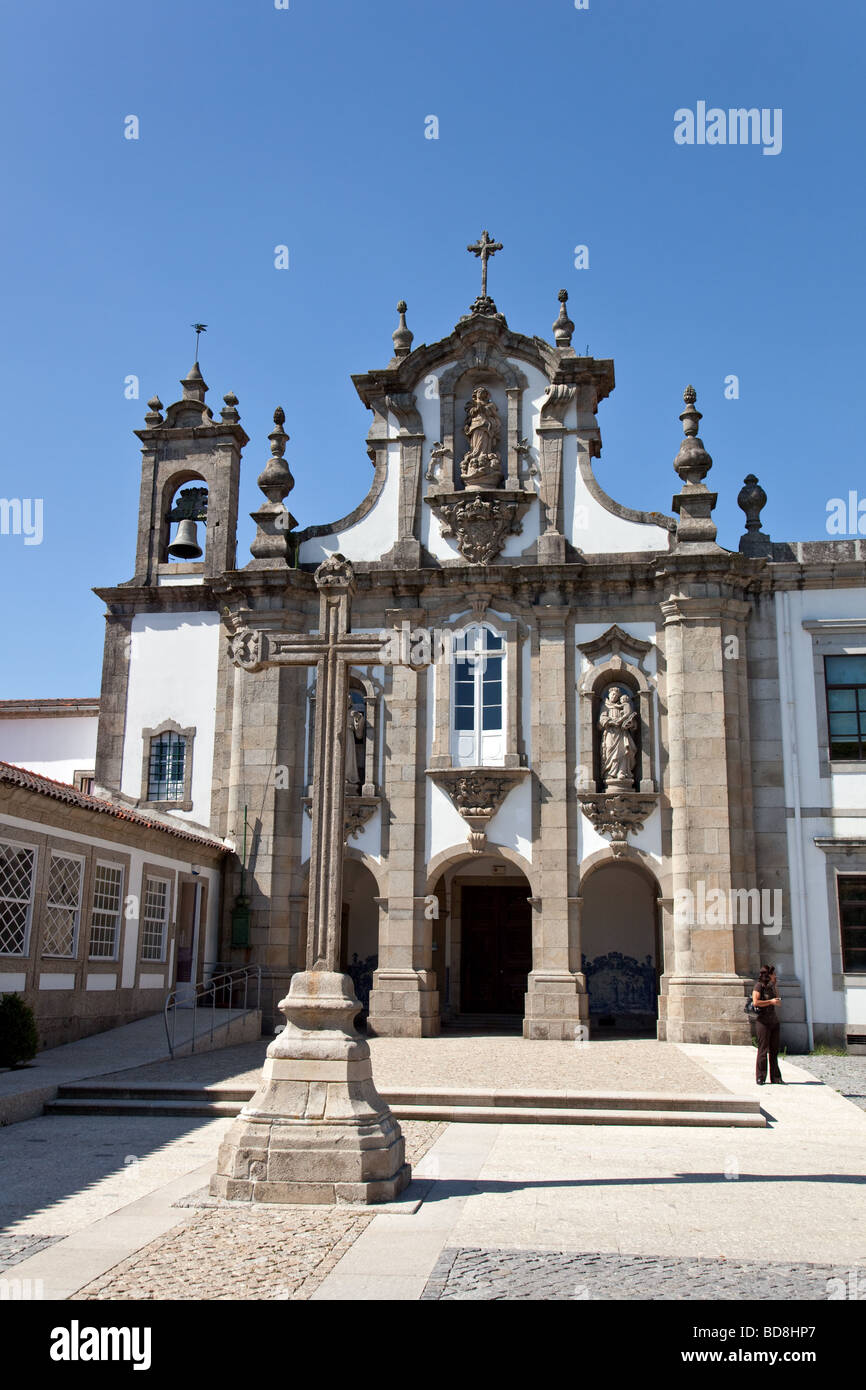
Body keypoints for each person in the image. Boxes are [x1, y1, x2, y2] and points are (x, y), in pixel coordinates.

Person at [752, 964, 783, 1085]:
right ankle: (760, 1076)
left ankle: (776, 1077)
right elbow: (755, 1002)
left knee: (774, 1051)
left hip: (774, 1021)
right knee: (763, 1050)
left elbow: (778, 999)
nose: (775, 976)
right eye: (773, 974)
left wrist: (775, 985)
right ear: (768, 975)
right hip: (763, 1022)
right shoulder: (758, 986)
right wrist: (770, 1001)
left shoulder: (771, 987)